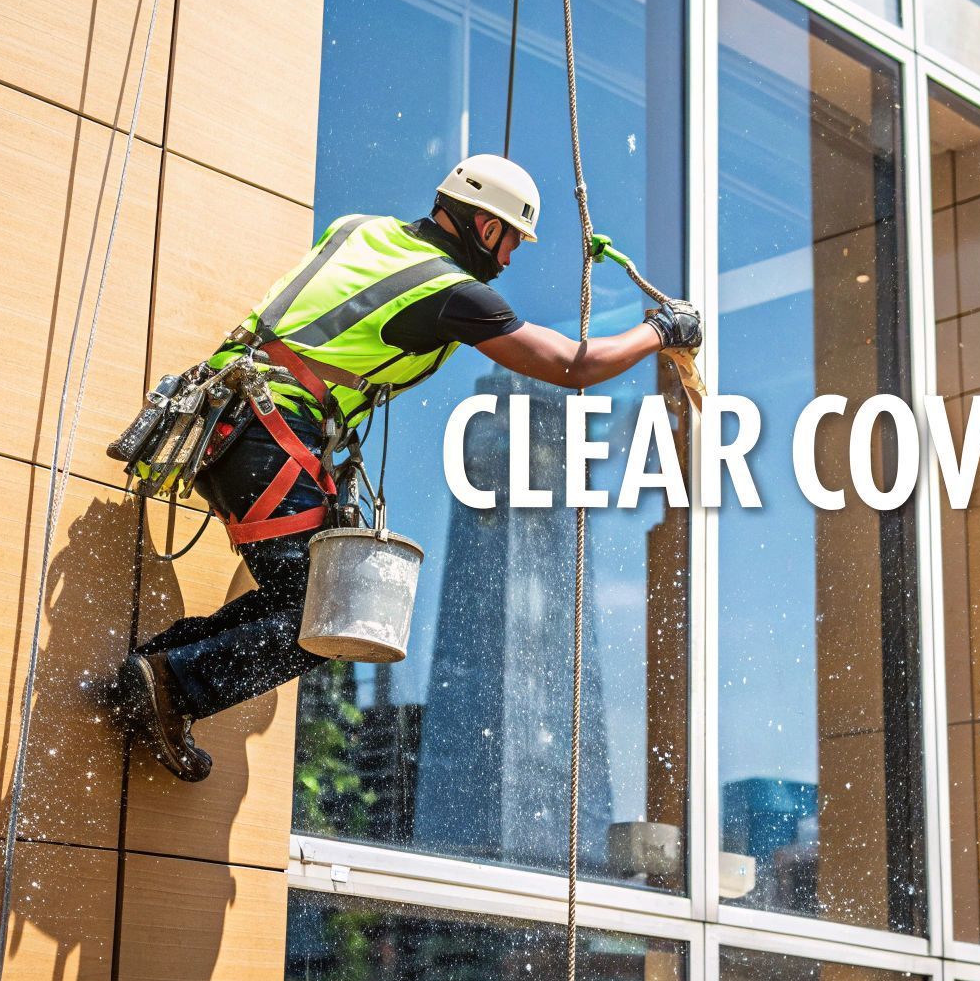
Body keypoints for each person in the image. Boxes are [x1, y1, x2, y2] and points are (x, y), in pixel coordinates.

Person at [110, 154, 700, 781]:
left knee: (305, 599)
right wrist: (660, 332)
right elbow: (571, 365)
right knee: (336, 613)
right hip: (269, 430)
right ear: (484, 225)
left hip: (227, 417)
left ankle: (153, 677)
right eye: (509, 244)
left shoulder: (361, 228)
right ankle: (172, 684)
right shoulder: (447, 289)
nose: (506, 262)